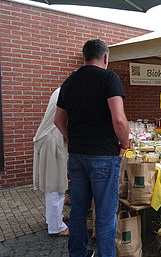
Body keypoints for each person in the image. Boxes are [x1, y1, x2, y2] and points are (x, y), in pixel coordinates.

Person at [54, 39, 129, 257]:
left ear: (84, 56)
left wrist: (74, 138)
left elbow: (58, 121)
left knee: (78, 210)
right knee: (105, 214)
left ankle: (77, 253)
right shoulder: (109, 77)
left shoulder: (69, 82)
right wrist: (124, 143)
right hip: (104, 156)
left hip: (77, 156)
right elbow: (119, 121)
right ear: (105, 57)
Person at [33, 87, 69, 237]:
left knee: (52, 183)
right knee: (55, 184)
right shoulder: (70, 91)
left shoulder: (61, 90)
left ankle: (53, 218)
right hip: (55, 139)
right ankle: (56, 227)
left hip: (50, 137)